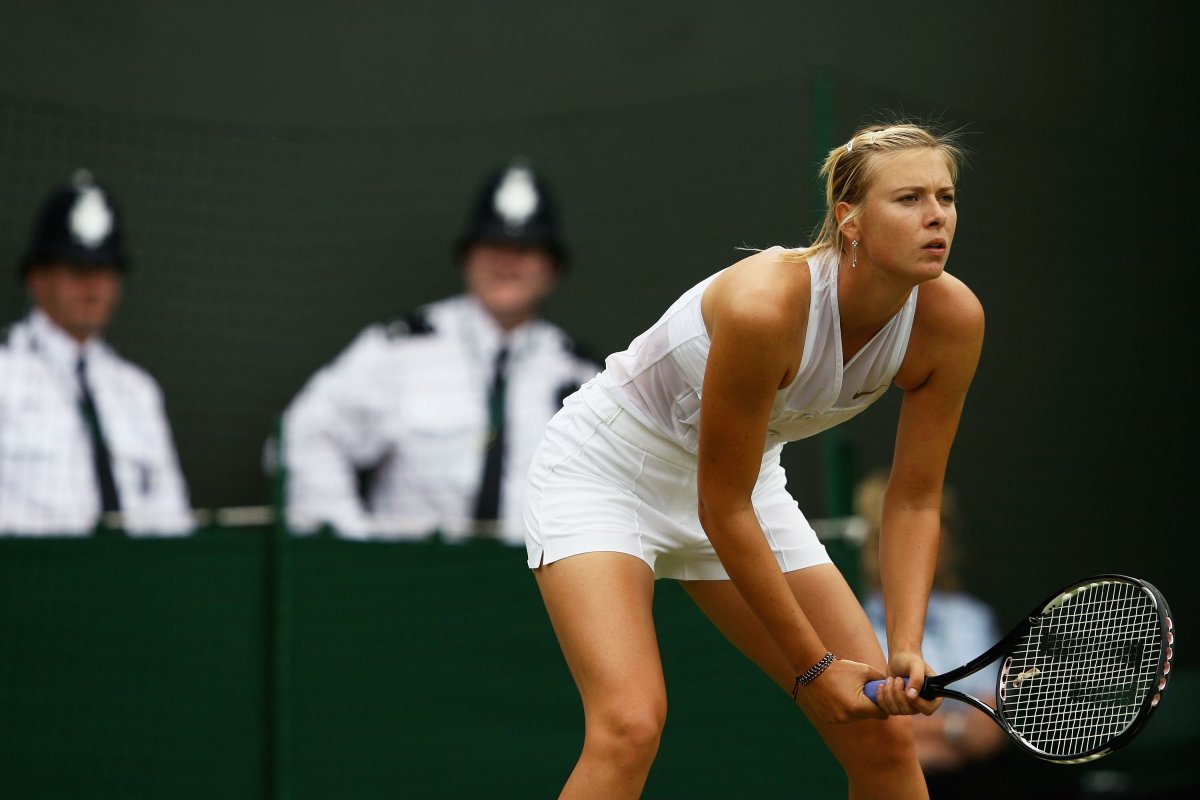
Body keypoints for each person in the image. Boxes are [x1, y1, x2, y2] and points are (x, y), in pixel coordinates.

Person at [523, 120, 985, 799]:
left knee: (885, 743)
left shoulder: (951, 320)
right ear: (848, 220)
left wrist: (907, 644)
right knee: (629, 725)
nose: (936, 217)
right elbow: (722, 506)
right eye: (908, 199)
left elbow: (914, 497)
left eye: (945, 198)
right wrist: (813, 665)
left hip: (742, 483)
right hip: (605, 475)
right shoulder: (764, 304)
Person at [277, 159, 601, 544]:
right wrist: (352, 543)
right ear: (466, 257)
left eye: (527, 248)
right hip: (410, 583)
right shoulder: (399, 349)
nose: (507, 261)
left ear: (553, 268)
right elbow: (304, 432)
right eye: (493, 244)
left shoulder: (583, 375)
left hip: (532, 588)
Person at [0, 169, 194, 536]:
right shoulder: (4, 374)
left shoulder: (137, 391)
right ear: (37, 278)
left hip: (133, 584)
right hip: (30, 583)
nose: (92, 284)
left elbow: (173, 524)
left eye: (104, 269)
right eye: (76, 268)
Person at [854, 469, 1008, 787]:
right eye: (887, 529)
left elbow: (986, 732)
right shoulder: (851, 621)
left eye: (941, 522)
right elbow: (862, 733)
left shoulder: (972, 618)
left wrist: (912, 729)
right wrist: (954, 728)